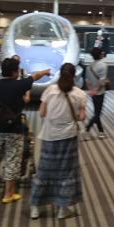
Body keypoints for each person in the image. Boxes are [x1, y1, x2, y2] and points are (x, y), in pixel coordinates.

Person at [0, 57, 50, 203]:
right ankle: (8, 194)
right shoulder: (19, 85)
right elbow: (35, 76)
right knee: (12, 159)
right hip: (14, 128)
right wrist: (46, 72)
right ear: (15, 72)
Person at [30, 63, 86, 219]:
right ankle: (62, 209)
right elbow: (82, 117)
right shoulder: (79, 94)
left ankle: (36, 207)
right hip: (68, 136)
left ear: (60, 74)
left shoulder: (50, 90)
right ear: (74, 75)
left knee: (44, 171)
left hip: (49, 136)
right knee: (67, 173)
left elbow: (41, 113)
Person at [85, 47, 108, 139]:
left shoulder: (89, 67)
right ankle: (87, 129)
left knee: (96, 112)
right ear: (99, 55)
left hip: (93, 93)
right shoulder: (103, 65)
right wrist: (96, 90)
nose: (103, 54)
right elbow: (102, 81)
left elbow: (87, 81)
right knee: (98, 114)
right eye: (102, 52)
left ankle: (101, 131)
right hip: (100, 92)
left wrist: (91, 90)